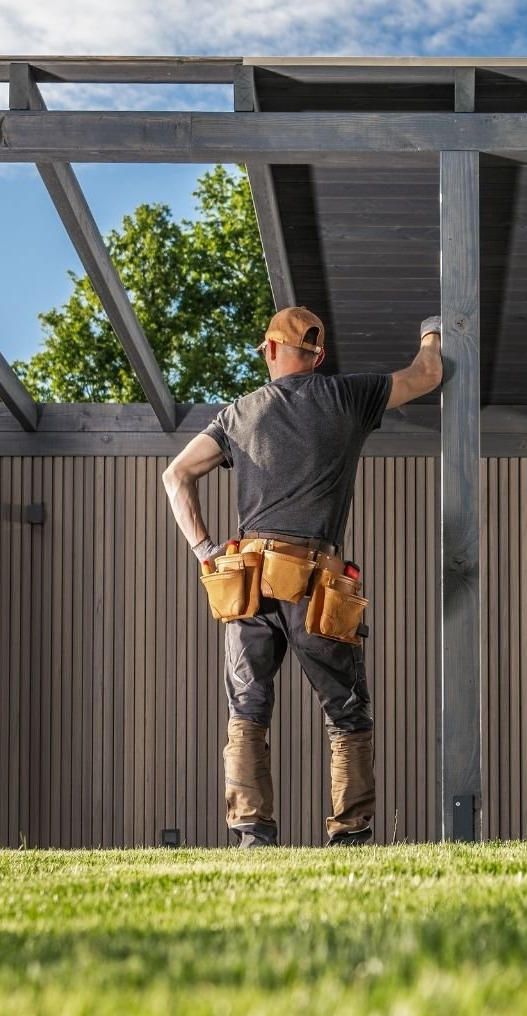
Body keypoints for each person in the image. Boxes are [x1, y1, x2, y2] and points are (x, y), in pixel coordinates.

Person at [161, 307, 443, 847]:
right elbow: (427, 374)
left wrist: (206, 552)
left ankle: (252, 835)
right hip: (318, 584)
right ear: (319, 355)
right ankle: (351, 833)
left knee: (247, 709)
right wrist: (431, 329)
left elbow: (175, 476)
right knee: (346, 711)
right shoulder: (347, 396)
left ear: (270, 349)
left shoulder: (238, 415)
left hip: (250, 583)